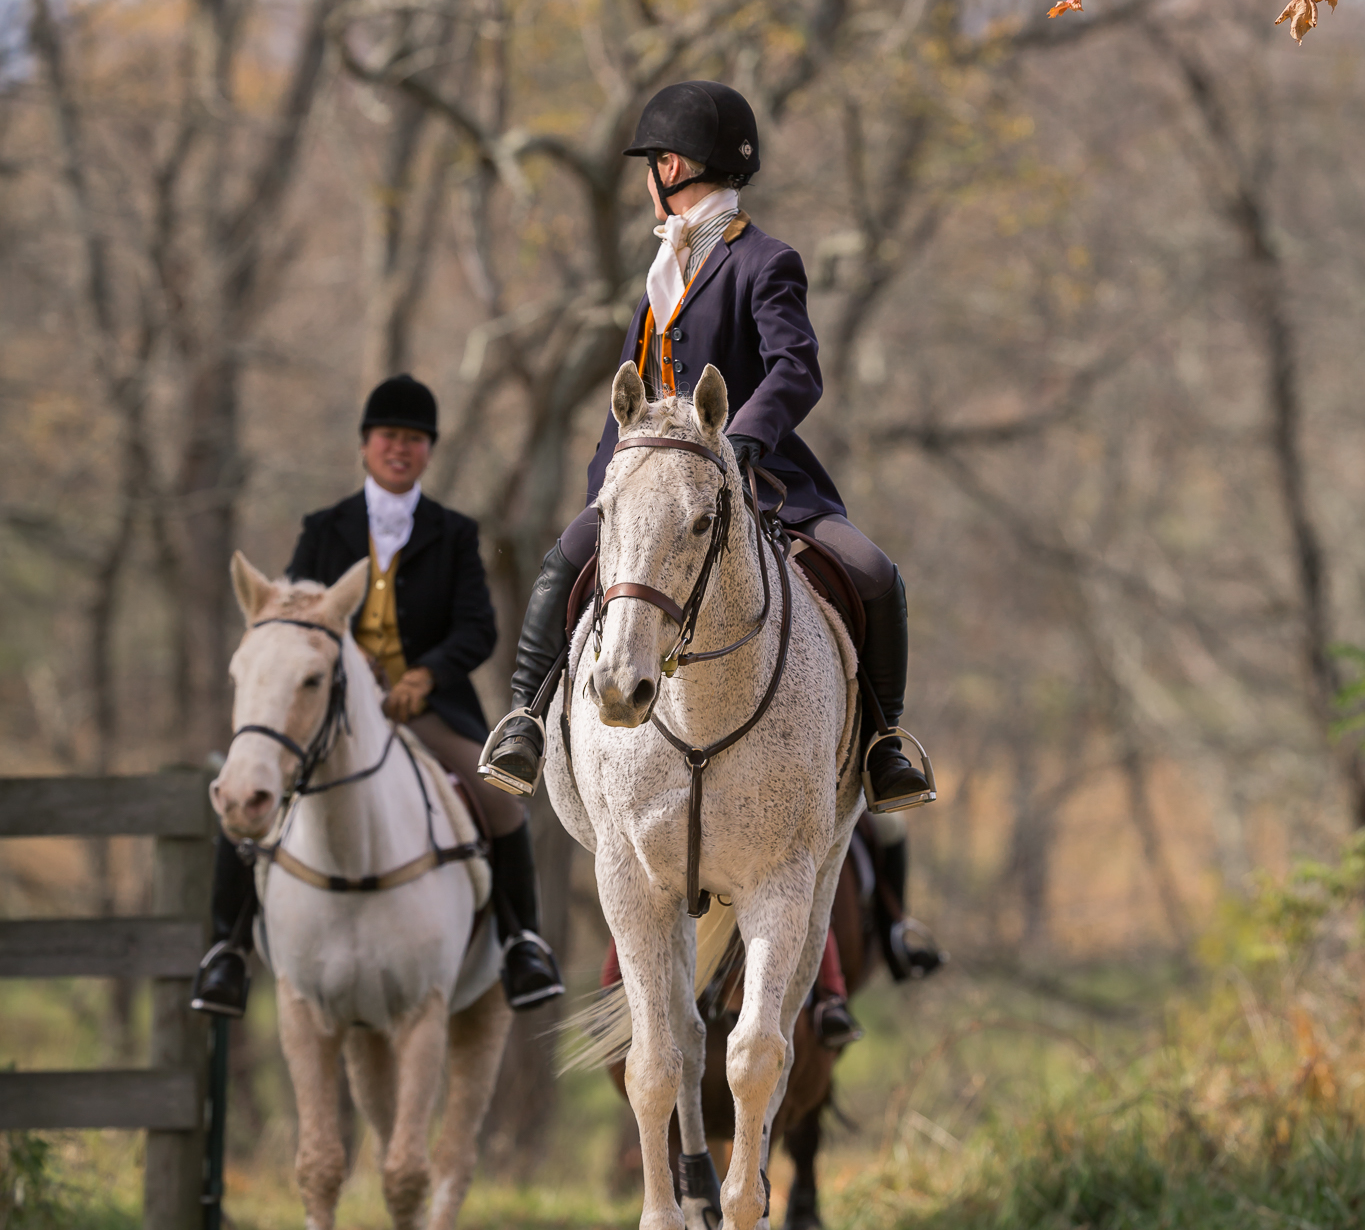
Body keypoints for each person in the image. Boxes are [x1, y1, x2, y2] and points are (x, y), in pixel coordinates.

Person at [480, 76, 933, 874]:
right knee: (564, 557)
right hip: (649, 489)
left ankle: (883, 744)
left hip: (762, 479)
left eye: (651, 162)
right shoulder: (660, 273)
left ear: (675, 164)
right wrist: (608, 494)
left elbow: (797, 369)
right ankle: (522, 720)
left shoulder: (764, 261)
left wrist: (745, 441)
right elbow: (626, 396)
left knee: (872, 573)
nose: (646, 179)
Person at [190, 373, 564, 1018]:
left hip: (425, 711)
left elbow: (476, 627)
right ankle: (226, 951)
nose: (401, 448)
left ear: (428, 451)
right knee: (244, 787)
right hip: (329, 714)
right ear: (365, 445)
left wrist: (426, 676)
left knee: (501, 800)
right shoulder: (324, 527)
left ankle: (521, 943)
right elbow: (294, 611)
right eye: (390, 436)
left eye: (415, 440)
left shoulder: (453, 533)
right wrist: (344, 661)